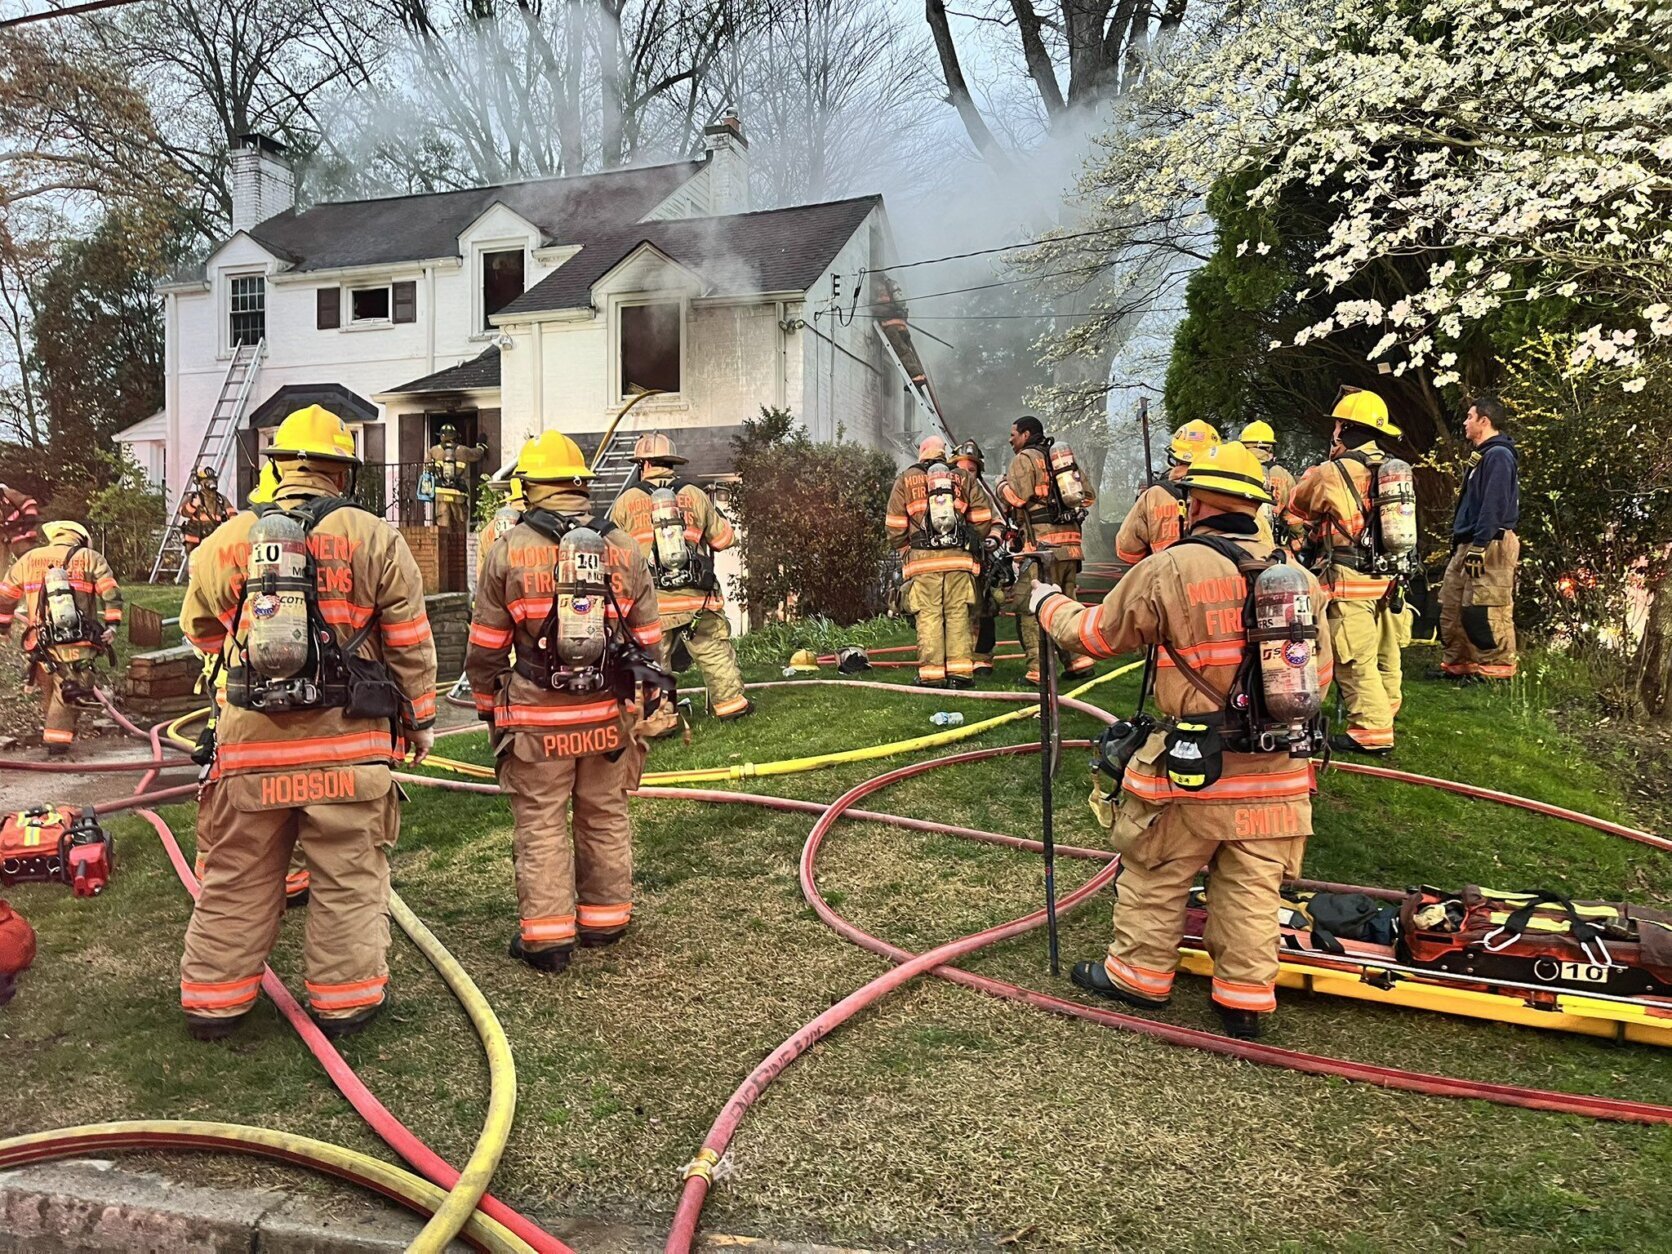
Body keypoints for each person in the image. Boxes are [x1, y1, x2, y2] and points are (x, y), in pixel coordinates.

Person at [1030, 442, 1333, 1040]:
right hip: (1279, 769)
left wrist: (1048, 604)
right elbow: (1318, 674)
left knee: (1158, 866)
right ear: (1255, 505)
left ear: (1195, 503)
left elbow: (1095, 635)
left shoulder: (1172, 567)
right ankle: (1244, 998)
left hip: (1197, 765)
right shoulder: (1297, 578)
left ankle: (1139, 976)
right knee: (1252, 883)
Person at [178, 405, 436, 1041]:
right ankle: (346, 1003)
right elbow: (409, 642)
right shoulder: (376, 537)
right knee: (348, 877)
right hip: (349, 746)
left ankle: (214, 1003)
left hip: (250, 750)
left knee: (237, 877)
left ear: (279, 467)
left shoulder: (227, 540)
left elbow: (201, 630)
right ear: (341, 472)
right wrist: (419, 721)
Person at [467, 430, 665, 972]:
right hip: (606, 716)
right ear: (580, 485)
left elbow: (486, 647)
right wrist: (646, 703)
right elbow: (649, 640)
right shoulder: (623, 546)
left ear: (529, 486)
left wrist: (488, 705)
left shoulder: (509, 549)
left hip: (537, 718)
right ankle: (606, 919)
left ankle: (549, 938)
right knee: (604, 812)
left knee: (541, 821)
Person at [188, 459, 310, 909]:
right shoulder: (330, 532)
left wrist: (233, 645)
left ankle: (216, 871)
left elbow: (196, 629)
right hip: (310, 697)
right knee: (299, 784)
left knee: (224, 782)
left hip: (237, 693)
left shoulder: (220, 541)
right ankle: (294, 879)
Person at [1283, 388, 1411, 755]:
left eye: (1337, 425)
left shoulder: (1332, 472)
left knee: (1355, 659)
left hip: (1349, 579)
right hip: (1389, 579)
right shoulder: (1392, 468)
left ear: (1345, 428)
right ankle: (1385, 711)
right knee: (1387, 653)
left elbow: (1298, 505)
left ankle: (1371, 732)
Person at [609, 432, 751, 720]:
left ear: (644, 464)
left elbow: (612, 554)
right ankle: (731, 705)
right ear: (672, 464)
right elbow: (723, 539)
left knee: (654, 661)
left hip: (651, 604)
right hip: (697, 599)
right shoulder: (695, 495)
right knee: (712, 649)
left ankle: (661, 717)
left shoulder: (625, 501)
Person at [0, 520, 123, 757]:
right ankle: (57, 746)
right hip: (77, 643)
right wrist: (112, 625)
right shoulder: (90, 557)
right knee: (71, 691)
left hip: (40, 643)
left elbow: (5, 596)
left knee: (52, 687)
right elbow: (111, 593)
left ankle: (53, 734)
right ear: (80, 538)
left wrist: (3, 629)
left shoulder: (29, 559)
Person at [886, 434, 996, 687]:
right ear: (943, 453)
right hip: (959, 562)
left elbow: (894, 526)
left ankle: (932, 676)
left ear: (922, 451)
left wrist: (907, 550)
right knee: (958, 615)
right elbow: (983, 519)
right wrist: (968, 542)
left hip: (923, 563)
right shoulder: (964, 477)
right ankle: (961, 674)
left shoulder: (906, 479)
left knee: (929, 616)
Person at [1000, 415, 1097, 685]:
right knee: (1067, 604)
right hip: (1070, 548)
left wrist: (1001, 486)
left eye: (1013, 435)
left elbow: (1017, 498)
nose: (1010, 440)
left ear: (1026, 434)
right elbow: (1088, 497)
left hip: (1042, 549)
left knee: (1030, 606)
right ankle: (1079, 662)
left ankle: (1038, 671)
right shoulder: (1062, 460)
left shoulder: (1025, 459)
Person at [1439, 396, 1520, 681]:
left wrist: (1481, 544)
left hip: (1490, 543)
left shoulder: (1499, 456)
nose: (1465, 422)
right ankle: (1461, 666)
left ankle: (1496, 672)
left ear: (1484, 421)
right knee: (1453, 605)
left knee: (1487, 607)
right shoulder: (1483, 456)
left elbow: (1494, 503)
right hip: (1469, 541)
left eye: (1470, 417)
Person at [1112, 419, 1220, 571]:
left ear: (1175, 458)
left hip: (1164, 579)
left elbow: (1127, 551)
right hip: (1214, 579)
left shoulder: (1154, 496)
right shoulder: (1228, 494)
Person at [952, 438, 1001, 676]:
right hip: (954, 562)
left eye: (971, 470)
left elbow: (998, 522)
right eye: (962, 469)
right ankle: (958, 657)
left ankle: (982, 659)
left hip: (980, 561)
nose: (966, 474)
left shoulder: (985, 495)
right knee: (956, 610)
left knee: (984, 608)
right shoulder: (943, 494)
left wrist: (993, 539)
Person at [1238, 420, 1297, 539]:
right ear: (1269, 448)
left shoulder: (1231, 467)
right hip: (1268, 540)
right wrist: (1297, 537)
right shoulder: (1283, 474)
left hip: (1233, 538)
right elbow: (1293, 515)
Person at [427, 423, 490, 529]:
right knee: (459, 522)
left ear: (441, 436)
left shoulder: (434, 450)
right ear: (455, 436)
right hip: (458, 492)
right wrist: (481, 444)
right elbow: (478, 454)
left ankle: (444, 539)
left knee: (443, 523)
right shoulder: (463, 450)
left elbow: (428, 468)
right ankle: (459, 539)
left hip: (441, 492)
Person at [178, 467, 238, 559]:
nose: (211, 482)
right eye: (207, 480)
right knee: (196, 563)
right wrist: (193, 505)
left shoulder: (221, 499)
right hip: (195, 539)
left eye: (212, 480)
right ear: (201, 483)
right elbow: (183, 512)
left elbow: (233, 516)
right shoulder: (194, 497)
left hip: (214, 538)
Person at [1, 482, 39, 558]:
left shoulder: (5, 493)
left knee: (30, 558)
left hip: (21, 535)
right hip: (4, 540)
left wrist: (30, 516)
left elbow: (26, 502)